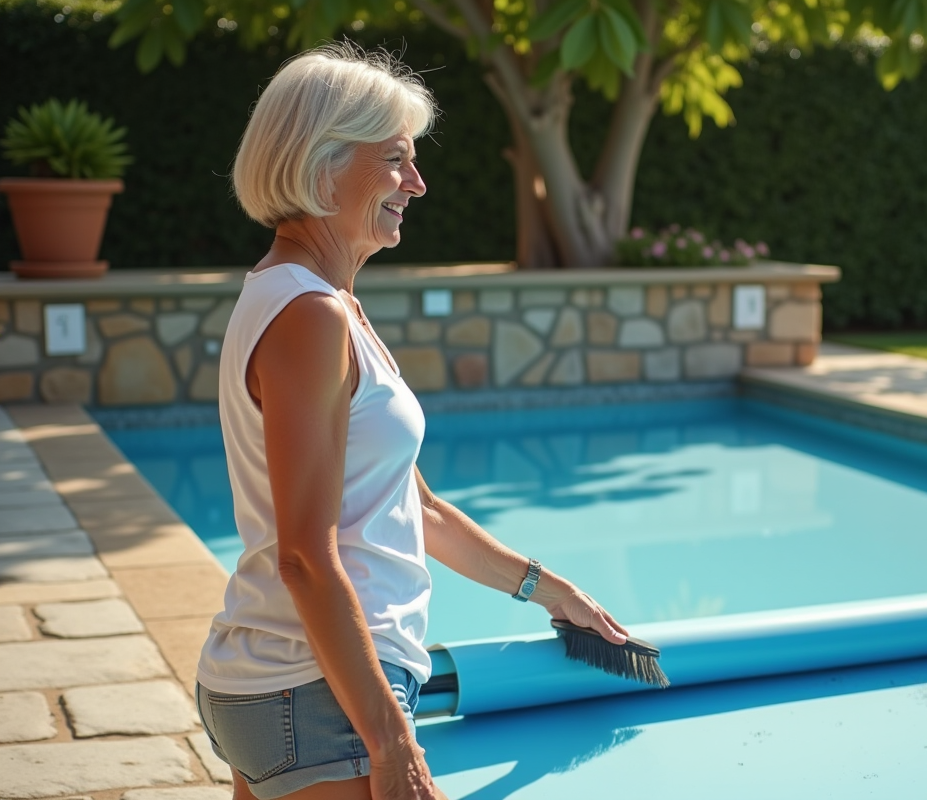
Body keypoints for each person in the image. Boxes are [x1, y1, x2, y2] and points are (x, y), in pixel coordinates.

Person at [193, 43, 630, 800]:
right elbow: (305, 557)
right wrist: (391, 739)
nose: (417, 183)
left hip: (280, 684)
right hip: (320, 695)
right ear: (323, 165)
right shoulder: (311, 315)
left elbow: (418, 509)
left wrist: (552, 591)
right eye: (396, 160)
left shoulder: (308, 299)